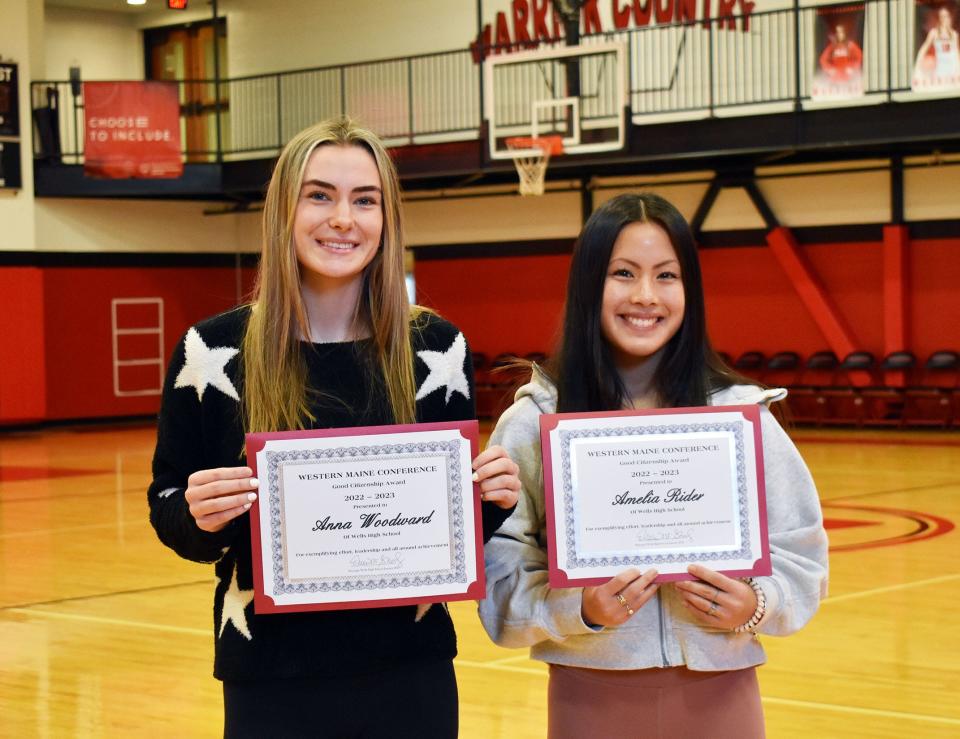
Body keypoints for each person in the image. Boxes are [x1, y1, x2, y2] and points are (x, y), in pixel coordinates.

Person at [147, 117, 520, 738]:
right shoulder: (209, 351)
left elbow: (449, 536)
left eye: (364, 200)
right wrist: (196, 513)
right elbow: (170, 508)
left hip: (409, 671)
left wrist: (493, 501)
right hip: (271, 675)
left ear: (386, 218)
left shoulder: (435, 346)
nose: (343, 218)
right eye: (319, 195)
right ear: (283, 210)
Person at [478, 193, 828, 738]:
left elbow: (802, 556)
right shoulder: (534, 422)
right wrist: (582, 611)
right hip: (588, 698)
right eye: (623, 273)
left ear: (689, 289)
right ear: (589, 284)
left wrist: (755, 605)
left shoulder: (739, 416)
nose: (645, 296)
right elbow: (501, 591)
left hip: (723, 696)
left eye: (667, 275)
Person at [913, 5, 960, 88]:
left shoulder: (954, 34)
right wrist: (917, 64)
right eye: (943, 17)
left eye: (947, 16)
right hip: (941, 70)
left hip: (953, 69)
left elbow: (957, 53)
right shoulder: (934, 33)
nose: (946, 19)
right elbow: (924, 49)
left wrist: (958, 69)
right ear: (940, 18)